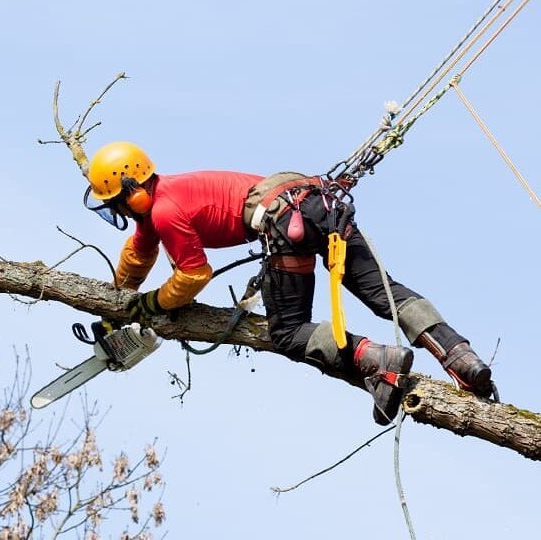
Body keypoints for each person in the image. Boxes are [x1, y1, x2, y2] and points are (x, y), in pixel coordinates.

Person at [84, 141, 495, 425]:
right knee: (382, 291)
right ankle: (462, 358)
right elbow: (138, 256)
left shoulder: (164, 210)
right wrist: (116, 306)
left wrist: (151, 304)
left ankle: (379, 361)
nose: (121, 211)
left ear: (132, 191)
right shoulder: (166, 198)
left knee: (288, 331)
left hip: (285, 225)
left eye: (117, 203)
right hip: (317, 204)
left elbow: (193, 275)